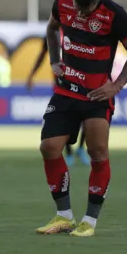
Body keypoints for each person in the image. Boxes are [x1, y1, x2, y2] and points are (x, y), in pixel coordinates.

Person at [36, 0, 127, 237]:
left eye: (88, 8)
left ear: (97, 1)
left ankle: (89, 221)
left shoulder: (114, 14)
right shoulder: (62, 3)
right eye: (79, 7)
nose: (82, 13)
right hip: (66, 90)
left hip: (96, 95)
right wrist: (54, 61)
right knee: (49, 148)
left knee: (97, 152)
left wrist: (116, 86)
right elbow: (51, 29)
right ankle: (63, 216)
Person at [26, 38, 90, 167]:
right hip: (61, 85)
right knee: (66, 118)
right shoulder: (52, 33)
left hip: (81, 81)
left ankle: (81, 148)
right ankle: (69, 152)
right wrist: (32, 75)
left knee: (86, 115)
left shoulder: (77, 29)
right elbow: (42, 54)